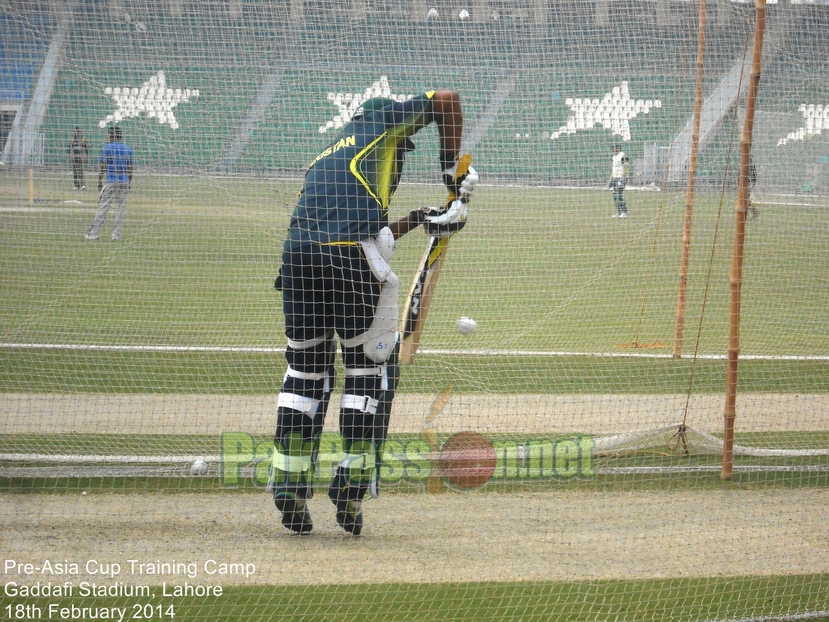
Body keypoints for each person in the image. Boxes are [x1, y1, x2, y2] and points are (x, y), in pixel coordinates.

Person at [270, 91, 478, 536]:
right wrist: (451, 168)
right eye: (404, 148)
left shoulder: (329, 155)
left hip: (297, 260)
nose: (402, 156)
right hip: (349, 260)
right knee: (368, 372)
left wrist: (422, 217)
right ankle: (351, 483)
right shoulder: (382, 125)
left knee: (304, 374)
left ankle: (287, 483)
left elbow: (374, 233)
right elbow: (447, 99)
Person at [85, 125, 133, 241]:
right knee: (120, 209)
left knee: (103, 207)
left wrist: (99, 180)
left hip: (111, 181)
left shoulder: (108, 148)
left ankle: (94, 234)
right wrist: (129, 182)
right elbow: (130, 168)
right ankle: (116, 236)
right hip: (124, 181)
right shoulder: (127, 149)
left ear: (112, 135)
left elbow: (103, 166)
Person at [608, 142, 630, 218]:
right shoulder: (614, 157)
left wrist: (623, 177)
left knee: (619, 194)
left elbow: (626, 166)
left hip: (622, 178)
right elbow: (614, 168)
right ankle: (619, 212)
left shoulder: (622, 155)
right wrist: (611, 177)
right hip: (615, 178)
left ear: (618, 148)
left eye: (615, 147)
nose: (613, 149)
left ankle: (625, 212)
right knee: (615, 195)